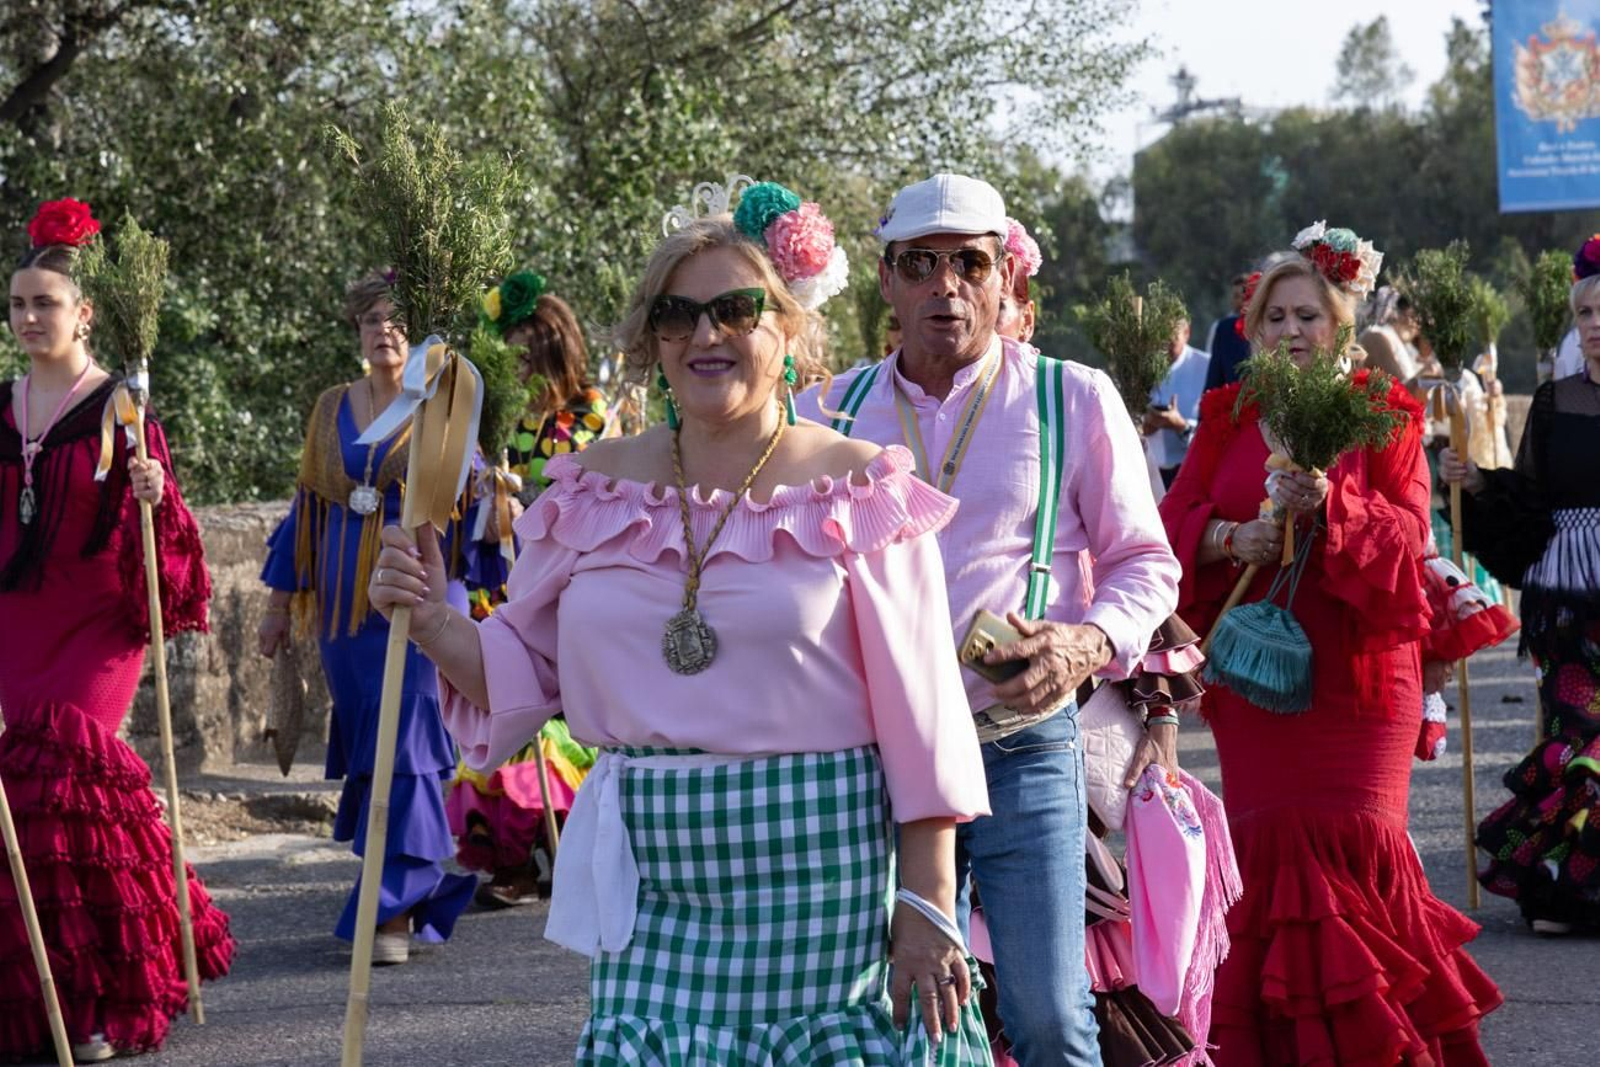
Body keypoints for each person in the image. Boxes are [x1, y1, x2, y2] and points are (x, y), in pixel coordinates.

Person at [370, 179, 994, 1062]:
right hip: (651, 886)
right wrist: (435, 619)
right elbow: (517, 670)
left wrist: (927, 907)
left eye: (736, 309)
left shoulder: (860, 487)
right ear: (651, 339)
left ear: (789, 326)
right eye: (677, 315)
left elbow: (923, 717)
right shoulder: (592, 487)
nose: (706, 335)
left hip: (826, 887)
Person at [802, 173, 1182, 1067]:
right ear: (887, 280)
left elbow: (1146, 562)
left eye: (969, 261)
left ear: (1006, 276)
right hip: (872, 756)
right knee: (878, 1011)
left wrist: (1088, 641)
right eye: (921, 263)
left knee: (1051, 1015)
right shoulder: (826, 412)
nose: (947, 284)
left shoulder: (1072, 397)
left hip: (1019, 740)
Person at [1160, 224, 1501, 1065]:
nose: (1290, 331)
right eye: (1274, 316)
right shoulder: (1226, 415)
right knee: (1267, 871)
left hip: (1357, 679)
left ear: (1340, 326)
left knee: (1355, 872)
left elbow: (1411, 539)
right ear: (1252, 328)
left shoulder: (1382, 415)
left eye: (1307, 314)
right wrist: (1230, 538)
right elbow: (1166, 527)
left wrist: (1329, 504)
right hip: (1258, 692)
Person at [0, 198, 234, 1061]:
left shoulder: (122, 411)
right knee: (18, 803)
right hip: (17, 615)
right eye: (17, 303)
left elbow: (171, 544)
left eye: (44, 303)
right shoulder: (0, 404)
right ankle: (40, 996)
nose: (28, 317)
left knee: (67, 777)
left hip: (96, 618)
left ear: (84, 311)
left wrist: (154, 495)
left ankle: (103, 992)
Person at [256, 271, 478, 966]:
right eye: (372, 319)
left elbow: (463, 503)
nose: (385, 329)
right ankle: (406, 892)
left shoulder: (439, 403)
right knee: (375, 751)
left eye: (398, 320)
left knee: (411, 745)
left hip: (414, 592)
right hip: (341, 610)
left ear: (419, 336)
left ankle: (391, 905)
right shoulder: (330, 406)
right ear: (356, 329)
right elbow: (306, 507)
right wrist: (275, 602)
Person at [1442, 236, 1600, 935]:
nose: (1595, 323)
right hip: (1566, 604)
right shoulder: (1555, 401)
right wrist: (1475, 482)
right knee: (1579, 742)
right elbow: (1531, 499)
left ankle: (1575, 884)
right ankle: (1562, 885)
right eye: (1586, 312)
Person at [451, 271, 603, 907]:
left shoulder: (588, 416)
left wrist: (532, 499)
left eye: (531, 353)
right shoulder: (493, 427)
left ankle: (571, 849)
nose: (522, 367)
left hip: (569, 590)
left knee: (571, 725)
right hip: (501, 588)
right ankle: (513, 860)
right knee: (511, 716)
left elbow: (596, 493)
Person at [1144, 317, 1208, 488]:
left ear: (1186, 333)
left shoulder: (1207, 367)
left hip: (1190, 473)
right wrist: (1143, 426)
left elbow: (1214, 431)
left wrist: (1180, 425)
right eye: (1159, 338)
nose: (1164, 347)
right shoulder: (1141, 365)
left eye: (1170, 339)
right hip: (1147, 472)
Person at [1201, 272, 1254, 390]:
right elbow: (1214, 370)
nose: (1241, 301)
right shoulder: (1222, 329)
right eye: (1236, 296)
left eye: (1245, 295)